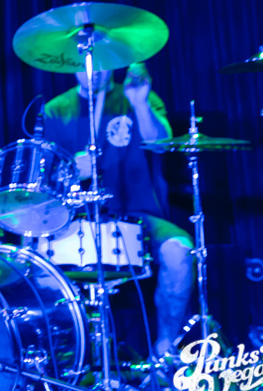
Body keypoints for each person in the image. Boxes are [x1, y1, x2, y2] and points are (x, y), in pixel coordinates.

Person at [42, 62, 194, 359]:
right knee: (38, 264)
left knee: (180, 252)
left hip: (139, 217)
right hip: (76, 220)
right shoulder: (56, 109)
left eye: (100, 63)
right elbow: (46, 178)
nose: (92, 71)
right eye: (84, 64)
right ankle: (66, 359)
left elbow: (161, 144)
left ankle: (165, 353)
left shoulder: (136, 96)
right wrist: (72, 170)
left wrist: (140, 103)